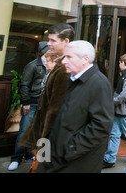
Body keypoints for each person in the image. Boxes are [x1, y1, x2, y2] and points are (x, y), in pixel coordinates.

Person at [36, 40, 114, 173]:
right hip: (55, 156)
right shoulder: (72, 80)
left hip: (73, 162)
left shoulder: (99, 83)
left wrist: (69, 150)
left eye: (69, 57)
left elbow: (101, 126)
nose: (64, 61)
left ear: (85, 59)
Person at [19, 23, 74, 166]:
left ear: (66, 41)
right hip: (47, 133)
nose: (48, 44)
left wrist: (43, 142)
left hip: (52, 135)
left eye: (53, 41)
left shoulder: (65, 68)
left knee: (44, 165)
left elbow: (55, 109)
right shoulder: (60, 65)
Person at [8, 42, 49, 171]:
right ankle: (16, 158)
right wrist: (26, 102)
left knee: (41, 131)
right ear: (43, 52)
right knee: (24, 130)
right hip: (32, 102)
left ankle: (34, 155)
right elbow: (24, 85)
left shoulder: (52, 66)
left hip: (45, 104)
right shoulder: (32, 66)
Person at [103, 54, 126, 168]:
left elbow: (125, 95)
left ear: (123, 63)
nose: (119, 64)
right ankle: (109, 159)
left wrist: (112, 101)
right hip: (121, 112)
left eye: (119, 62)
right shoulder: (125, 75)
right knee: (114, 135)